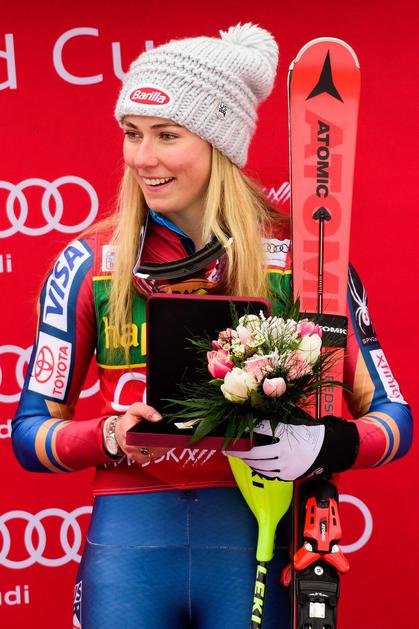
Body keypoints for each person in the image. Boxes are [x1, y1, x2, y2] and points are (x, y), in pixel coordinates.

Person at [12, 23, 412, 629]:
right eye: (132, 133)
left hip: (254, 535)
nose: (142, 157)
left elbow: (394, 419)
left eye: (167, 135)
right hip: (131, 548)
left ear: (219, 143)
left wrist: (324, 444)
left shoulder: (304, 260)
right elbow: (29, 434)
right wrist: (110, 434)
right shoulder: (91, 263)